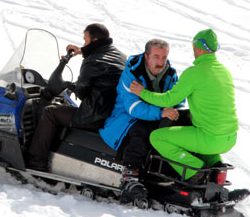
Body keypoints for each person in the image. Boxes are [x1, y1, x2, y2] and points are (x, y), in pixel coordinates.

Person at [130, 29, 238, 184]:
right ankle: (216, 168)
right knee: (200, 132)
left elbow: (168, 100)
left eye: (194, 46)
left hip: (209, 139)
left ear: (199, 48)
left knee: (157, 137)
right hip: (229, 138)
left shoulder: (194, 73)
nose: (193, 50)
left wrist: (142, 93)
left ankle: (194, 172)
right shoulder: (224, 72)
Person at [26, 23, 127, 171]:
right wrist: (81, 51)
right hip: (111, 112)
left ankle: (36, 160)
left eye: (85, 40)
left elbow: (81, 92)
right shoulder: (118, 54)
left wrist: (68, 85)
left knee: (50, 112)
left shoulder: (93, 62)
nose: (84, 43)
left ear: (94, 40)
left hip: (94, 116)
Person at [100, 39, 183, 176]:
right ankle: (131, 176)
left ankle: (177, 175)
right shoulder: (132, 74)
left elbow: (178, 101)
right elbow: (133, 108)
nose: (161, 63)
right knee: (142, 130)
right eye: (156, 57)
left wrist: (176, 115)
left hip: (157, 114)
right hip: (126, 117)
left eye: (164, 57)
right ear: (146, 56)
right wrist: (161, 112)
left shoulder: (171, 75)